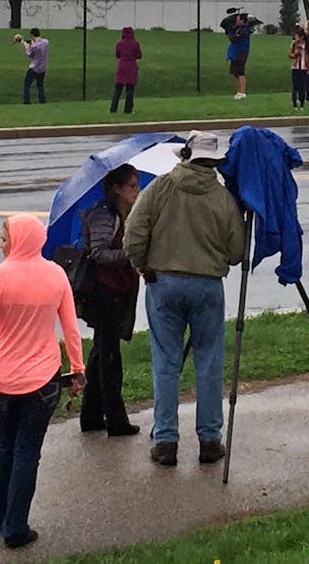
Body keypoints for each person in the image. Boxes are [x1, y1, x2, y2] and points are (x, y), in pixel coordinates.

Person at [123, 130, 247, 467]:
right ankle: (209, 439)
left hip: (163, 281)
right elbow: (237, 252)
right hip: (207, 284)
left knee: (166, 361)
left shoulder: (160, 188)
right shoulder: (223, 198)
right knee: (208, 361)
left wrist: (140, 263)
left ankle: (166, 440)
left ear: (185, 156)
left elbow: (134, 233)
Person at [0, 214, 85, 550]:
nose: (0, 244)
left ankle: (0, 513)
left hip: (1, 380)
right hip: (42, 380)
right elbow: (71, 330)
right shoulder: (56, 275)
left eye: (4, 239)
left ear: (17, 240)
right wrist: (77, 368)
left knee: (7, 444)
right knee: (27, 451)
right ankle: (16, 526)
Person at [79, 163, 142, 436]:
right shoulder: (105, 215)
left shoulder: (120, 213)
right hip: (105, 293)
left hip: (114, 291)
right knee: (110, 359)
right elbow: (100, 253)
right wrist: (132, 255)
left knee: (100, 354)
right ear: (116, 188)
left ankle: (91, 416)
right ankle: (116, 420)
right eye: (132, 186)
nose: (137, 191)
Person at [110, 26, 141, 114]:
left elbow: (117, 54)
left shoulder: (119, 44)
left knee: (117, 89)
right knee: (130, 90)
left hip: (121, 67)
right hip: (131, 67)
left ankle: (113, 109)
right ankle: (128, 110)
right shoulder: (135, 44)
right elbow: (139, 55)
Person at [15, 28, 49, 104]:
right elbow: (36, 42)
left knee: (26, 85)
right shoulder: (46, 42)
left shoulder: (34, 46)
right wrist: (28, 42)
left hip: (34, 68)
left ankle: (27, 101)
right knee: (40, 86)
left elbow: (30, 55)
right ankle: (42, 101)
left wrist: (26, 47)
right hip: (43, 68)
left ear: (32, 35)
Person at [225, 12, 252, 99]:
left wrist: (231, 34)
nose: (236, 21)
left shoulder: (244, 30)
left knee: (240, 72)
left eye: (238, 19)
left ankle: (243, 92)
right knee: (235, 73)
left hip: (241, 52)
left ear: (242, 20)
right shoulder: (238, 28)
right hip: (235, 52)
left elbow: (235, 38)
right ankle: (238, 91)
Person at [289, 25, 309, 109]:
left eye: (297, 36)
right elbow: (290, 54)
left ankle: (302, 103)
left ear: (302, 37)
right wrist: (294, 54)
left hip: (303, 68)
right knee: (295, 86)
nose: (296, 38)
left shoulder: (307, 45)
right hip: (295, 67)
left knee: (302, 86)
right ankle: (294, 104)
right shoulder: (294, 44)